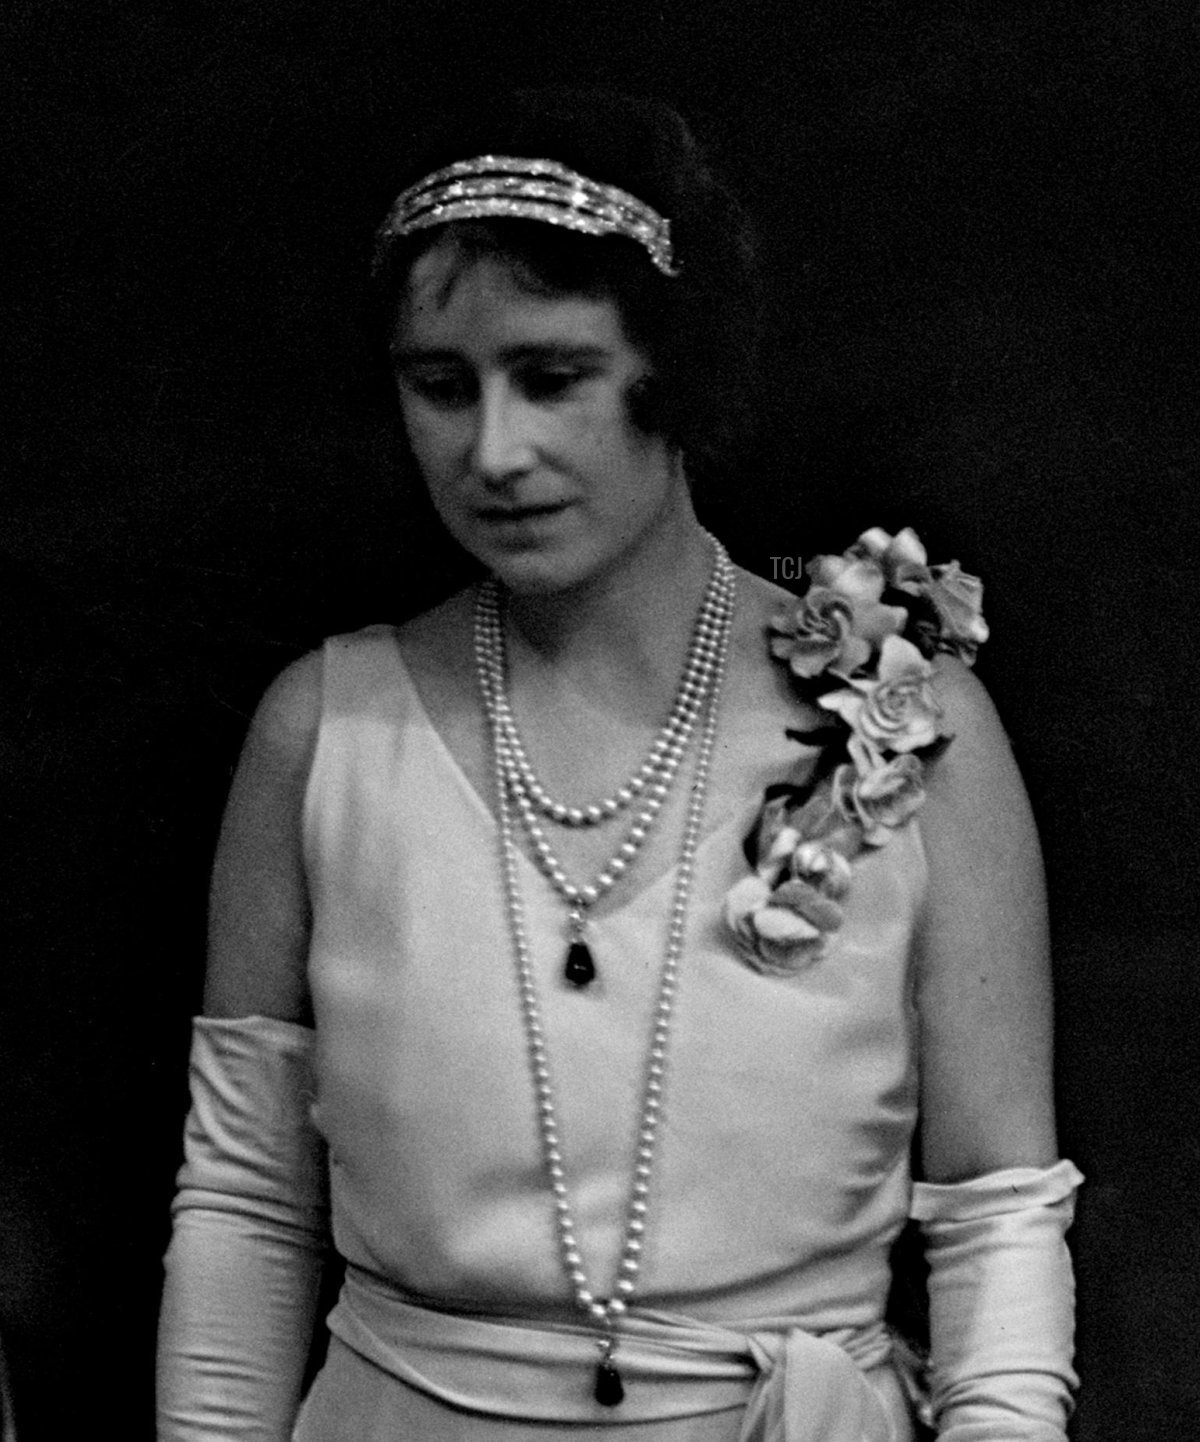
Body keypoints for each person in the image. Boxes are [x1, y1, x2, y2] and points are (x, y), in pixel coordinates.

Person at [156, 89, 1080, 1441]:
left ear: (675, 371)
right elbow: (246, 1205)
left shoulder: (915, 727)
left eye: (552, 376)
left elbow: (999, 1217)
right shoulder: (324, 732)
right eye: (440, 385)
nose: (495, 450)